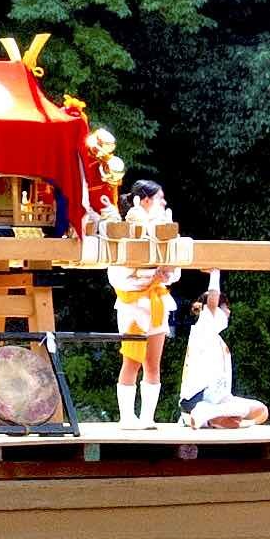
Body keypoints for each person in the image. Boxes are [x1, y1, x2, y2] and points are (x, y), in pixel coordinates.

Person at [106, 180, 179, 428]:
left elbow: (176, 271)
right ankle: (127, 417)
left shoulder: (165, 233)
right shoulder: (125, 232)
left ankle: (148, 417)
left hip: (157, 302)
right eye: (160, 198)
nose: (164, 203)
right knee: (132, 361)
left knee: (153, 363)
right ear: (145, 201)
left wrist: (165, 273)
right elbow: (117, 277)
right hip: (133, 305)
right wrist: (151, 278)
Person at [177, 285, 270, 429]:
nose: (229, 311)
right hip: (196, 400)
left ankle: (209, 417)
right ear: (215, 310)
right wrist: (215, 272)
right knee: (237, 415)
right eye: (226, 307)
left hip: (216, 403)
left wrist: (242, 422)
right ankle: (205, 414)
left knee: (261, 411)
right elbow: (212, 301)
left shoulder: (216, 337)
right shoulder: (203, 329)